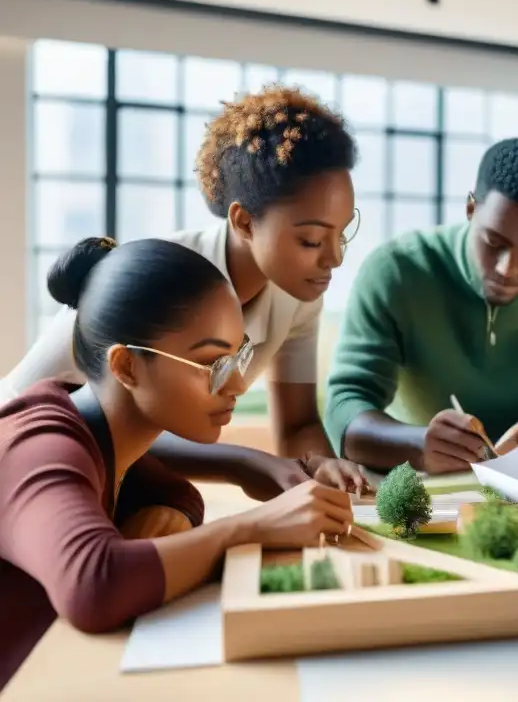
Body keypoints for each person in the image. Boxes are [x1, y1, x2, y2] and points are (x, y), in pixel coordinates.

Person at [0, 237, 357, 692]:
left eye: (238, 355)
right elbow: (93, 586)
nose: (238, 384)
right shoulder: (42, 446)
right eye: (211, 363)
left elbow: (174, 491)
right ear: (127, 366)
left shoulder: (110, 439)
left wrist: (179, 512)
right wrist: (254, 527)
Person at [1, 85, 366, 499]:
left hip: (111, 476)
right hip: (29, 459)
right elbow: (96, 420)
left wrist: (322, 466)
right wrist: (245, 462)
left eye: (344, 232)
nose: (334, 258)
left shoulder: (296, 296)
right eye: (311, 241)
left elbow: (298, 426)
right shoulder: (154, 282)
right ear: (244, 222)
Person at [326, 137, 518, 475]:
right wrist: (418, 444)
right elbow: (345, 407)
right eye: (494, 242)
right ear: (471, 208)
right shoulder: (396, 270)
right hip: (416, 488)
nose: (507, 269)